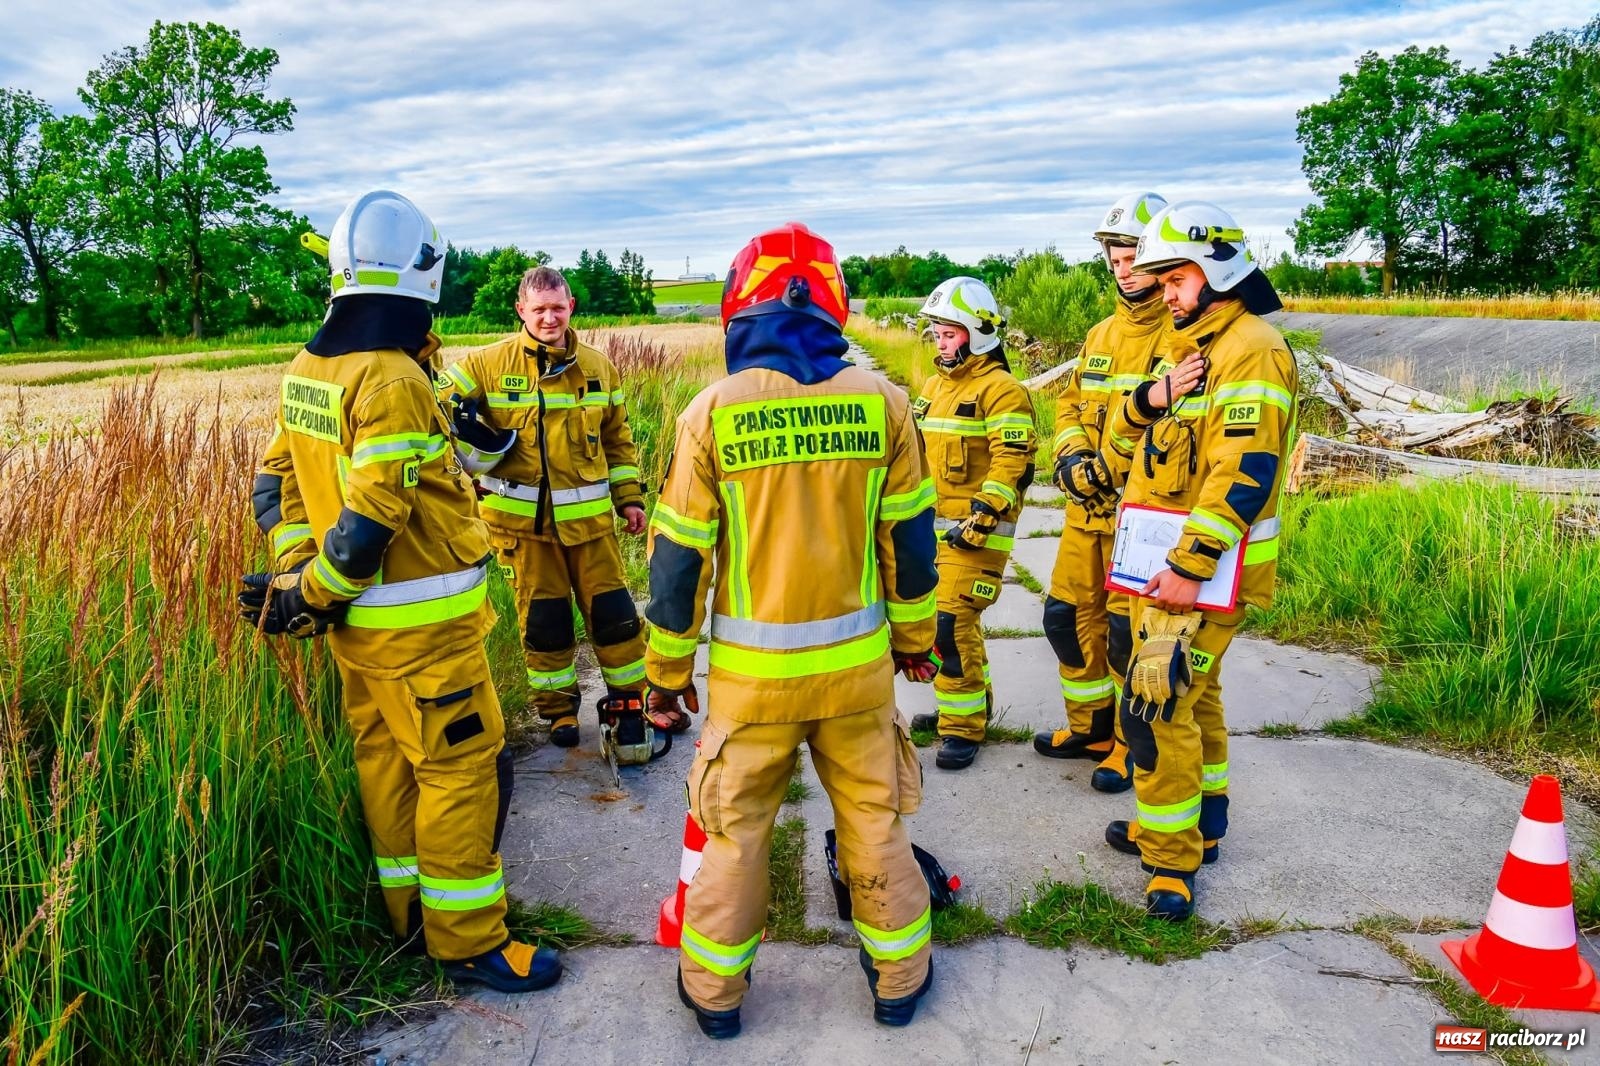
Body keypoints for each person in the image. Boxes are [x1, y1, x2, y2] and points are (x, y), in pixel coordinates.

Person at [241, 190, 560, 991]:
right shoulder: (391, 380)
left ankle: (410, 918)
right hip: (425, 638)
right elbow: (373, 518)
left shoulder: (309, 368)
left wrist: (299, 579)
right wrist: (313, 591)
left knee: (386, 764)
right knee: (461, 771)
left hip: (360, 636)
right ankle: (470, 941)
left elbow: (276, 483)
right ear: (423, 271)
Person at [645, 222, 940, 1038]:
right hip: (857, 680)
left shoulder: (711, 414)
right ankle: (899, 980)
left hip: (753, 689)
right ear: (831, 306)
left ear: (740, 308)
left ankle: (715, 997)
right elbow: (913, 545)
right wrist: (915, 642)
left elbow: (676, 565)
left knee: (737, 837)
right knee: (874, 821)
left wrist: (666, 676)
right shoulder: (884, 404)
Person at [1092, 201, 1296, 921]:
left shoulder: (1252, 348)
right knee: (1195, 695)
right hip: (1162, 565)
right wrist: (1153, 395)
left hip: (1197, 573)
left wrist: (1189, 565)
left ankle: (1170, 861)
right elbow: (1122, 437)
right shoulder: (1189, 349)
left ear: (1216, 271)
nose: (1165, 294)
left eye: (1175, 279)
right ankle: (1202, 826)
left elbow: (1244, 472)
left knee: (1155, 702)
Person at [435, 266, 662, 747]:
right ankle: (559, 713)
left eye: (558, 308)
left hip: (592, 529)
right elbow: (431, 408)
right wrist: (463, 468)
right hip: (523, 532)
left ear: (571, 307)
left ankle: (629, 704)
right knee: (546, 624)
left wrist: (629, 499)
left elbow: (619, 441)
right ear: (521, 310)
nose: (549, 318)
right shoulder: (484, 364)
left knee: (617, 618)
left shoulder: (599, 367)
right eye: (539, 309)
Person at [1036, 191, 1174, 787]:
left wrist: (1105, 472)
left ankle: (1126, 743)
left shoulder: (1182, 334)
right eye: (1114, 260)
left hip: (1137, 518)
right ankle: (1089, 728)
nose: (1122, 271)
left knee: (1125, 638)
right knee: (1065, 619)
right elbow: (1069, 404)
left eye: (1133, 259)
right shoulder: (1100, 334)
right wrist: (1071, 457)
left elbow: (1171, 430)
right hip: (1083, 511)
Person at [905, 276, 1035, 771]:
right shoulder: (935, 387)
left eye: (950, 334)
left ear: (978, 332)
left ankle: (963, 729)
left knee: (950, 623)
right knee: (947, 625)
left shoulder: (1003, 391)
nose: (941, 344)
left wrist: (982, 515)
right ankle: (963, 705)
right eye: (937, 334)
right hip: (934, 535)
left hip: (978, 535)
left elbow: (1012, 461)